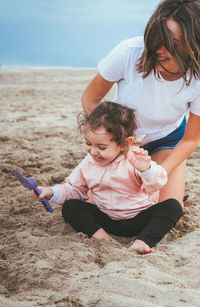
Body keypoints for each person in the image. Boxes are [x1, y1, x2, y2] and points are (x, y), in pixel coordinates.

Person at [81, 0, 200, 207]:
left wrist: (160, 172)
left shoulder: (196, 76)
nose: (158, 48)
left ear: (193, 44)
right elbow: (90, 99)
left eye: (171, 42)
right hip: (119, 141)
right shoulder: (129, 51)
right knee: (99, 207)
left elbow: (190, 140)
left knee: (167, 209)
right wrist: (113, 141)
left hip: (167, 140)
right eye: (156, 37)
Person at [33, 101, 183, 254]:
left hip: (138, 218)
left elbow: (157, 183)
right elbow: (74, 189)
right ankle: (102, 238)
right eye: (88, 143)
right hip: (105, 219)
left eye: (101, 147)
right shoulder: (88, 163)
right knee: (71, 206)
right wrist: (52, 192)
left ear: (125, 143)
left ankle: (143, 241)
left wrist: (147, 170)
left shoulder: (135, 159)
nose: (93, 151)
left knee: (173, 206)